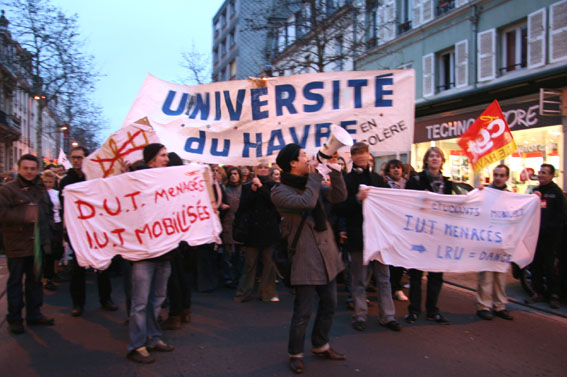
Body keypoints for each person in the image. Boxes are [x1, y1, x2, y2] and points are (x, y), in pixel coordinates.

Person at [271, 144, 347, 374]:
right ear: (292, 163)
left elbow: (339, 196)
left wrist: (334, 170)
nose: (308, 158)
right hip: (304, 257)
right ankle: (296, 353)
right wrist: (315, 176)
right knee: (303, 311)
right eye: (303, 155)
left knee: (330, 304)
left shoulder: (310, 185)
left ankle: (321, 344)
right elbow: (307, 203)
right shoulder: (279, 191)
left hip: (327, 255)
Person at [340, 143, 401, 333]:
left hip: (379, 236)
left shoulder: (377, 179)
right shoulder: (346, 180)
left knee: (384, 277)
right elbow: (339, 207)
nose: (361, 157)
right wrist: (356, 199)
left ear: (368, 155)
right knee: (359, 278)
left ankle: (388, 316)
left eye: (363, 153)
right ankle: (360, 315)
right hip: (358, 235)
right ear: (352, 157)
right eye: (357, 154)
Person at [127, 143, 174, 363]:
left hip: (164, 252)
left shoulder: (171, 181)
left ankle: (154, 337)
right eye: (163, 155)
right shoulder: (135, 182)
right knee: (140, 303)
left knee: (157, 299)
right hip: (143, 254)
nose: (167, 159)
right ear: (151, 160)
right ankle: (136, 345)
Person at [59, 146, 118, 317]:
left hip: (97, 228)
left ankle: (105, 299)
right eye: (74, 157)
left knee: (103, 266)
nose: (77, 160)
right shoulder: (66, 181)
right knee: (78, 268)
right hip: (77, 231)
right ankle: (78, 303)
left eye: (80, 157)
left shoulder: (95, 177)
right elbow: (65, 207)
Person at [0, 154, 55, 334]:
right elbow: (2, 214)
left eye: (33, 169)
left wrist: (48, 238)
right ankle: (14, 319)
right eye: (26, 168)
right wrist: (25, 215)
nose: (29, 172)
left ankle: (34, 314)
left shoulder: (40, 190)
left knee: (35, 282)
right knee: (15, 283)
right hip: (16, 245)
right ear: (19, 169)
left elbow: (47, 214)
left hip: (37, 245)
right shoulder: (7, 190)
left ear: (37, 170)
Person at [405, 146, 453, 325]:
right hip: (420, 233)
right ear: (426, 160)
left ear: (442, 161)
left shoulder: (448, 184)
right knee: (416, 275)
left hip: (439, 236)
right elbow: (408, 202)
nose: (434, 159)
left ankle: (432, 310)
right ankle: (414, 310)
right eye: (431, 156)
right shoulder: (416, 180)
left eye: (438, 156)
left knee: (436, 275)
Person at [233, 163, 281, 303]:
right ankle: (243, 293)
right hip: (252, 231)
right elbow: (242, 207)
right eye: (260, 167)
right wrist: (253, 191)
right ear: (255, 169)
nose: (263, 170)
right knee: (249, 264)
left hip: (269, 230)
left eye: (265, 167)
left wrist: (260, 188)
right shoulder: (247, 187)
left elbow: (274, 203)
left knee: (269, 264)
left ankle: (267, 292)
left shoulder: (274, 186)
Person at [476, 164, 514, 320]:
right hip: (486, 239)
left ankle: (500, 305)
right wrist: (476, 193)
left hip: (503, 241)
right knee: (486, 275)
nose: (498, 178)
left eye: (501, 175)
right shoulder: (484, 193)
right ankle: (483, 306)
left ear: (506, 177)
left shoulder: (511, 197)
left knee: (500, 275)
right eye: (496, 175)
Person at [528, 163, 565, 309]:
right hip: (535, 237)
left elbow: (561, 216)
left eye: (544, 173)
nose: (541, 175)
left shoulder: (556, 193)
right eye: (539, 172)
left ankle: (553, 295)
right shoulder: (535, 191)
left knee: (550, 266)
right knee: (536, 265)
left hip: (551, 238)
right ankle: (537, 292)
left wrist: (549, 228)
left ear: (551, 175)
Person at [383, 159, 409, 302]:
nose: (396, 170)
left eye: (398, 167)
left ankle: (396, 287)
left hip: (404, 227)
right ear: (388, 171)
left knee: (400, 258)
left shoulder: (408, 185)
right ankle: (389, 286)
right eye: (393, 168)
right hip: (388, 226)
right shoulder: (383, 185)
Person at [41, 170, 64, 292]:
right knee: (47, 253)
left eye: (50, 182)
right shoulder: (39, 193)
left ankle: (54, 272)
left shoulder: (57, 193)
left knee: (57, 250)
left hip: (57, 223)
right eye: (45, 181)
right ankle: (46, 278)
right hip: (46, 225)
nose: (48, 184)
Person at [221, 167, 244, 287]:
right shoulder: (225, 189)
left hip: (240, 225)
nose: (233, 176)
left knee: (239, 254)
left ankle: (239, 276)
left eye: (236, 174)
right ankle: (228, 277)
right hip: (227, 223)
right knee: (228, 253)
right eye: (231, 174)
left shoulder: (244, 189)